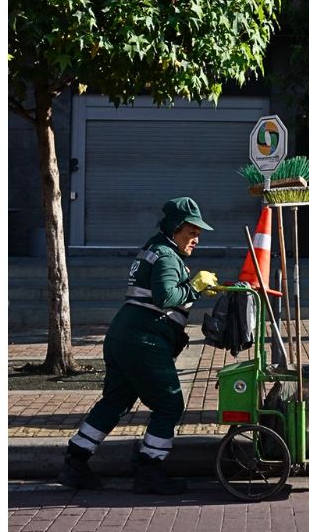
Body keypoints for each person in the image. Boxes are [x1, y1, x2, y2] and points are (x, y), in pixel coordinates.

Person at [58, 197, 219, 495]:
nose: (197, 239)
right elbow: (165, 297)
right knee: (169, 404)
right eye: (192, 232)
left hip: (123, 336)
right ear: (176, 228)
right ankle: (149, 469)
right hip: (144, 341)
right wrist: (195, 286)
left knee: (115, 402)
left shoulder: (153, 249)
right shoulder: (167, 256)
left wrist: (191, 289)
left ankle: (75, 461)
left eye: (198, 234)